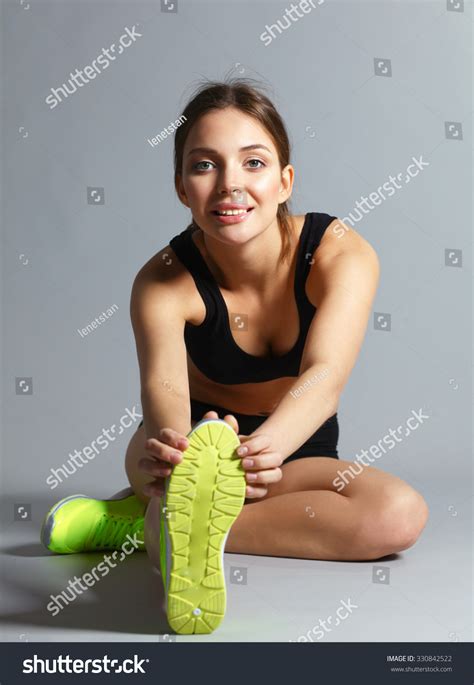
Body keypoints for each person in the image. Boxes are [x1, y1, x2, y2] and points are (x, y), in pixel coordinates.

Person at [41, 77, 429, 633]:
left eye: (253, 163)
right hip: (192, 441)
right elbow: (164, 390)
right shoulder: (162, 282)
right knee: (164, 473)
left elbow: (325, 377)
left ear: (283, 180)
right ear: (181, 187)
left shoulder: (340, 252)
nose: (230, 185)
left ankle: (149, 528)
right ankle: (166, 507)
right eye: (205, 166)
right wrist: (181, 462)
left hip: (288, 453)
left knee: (398, 516)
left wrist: (253, 456)